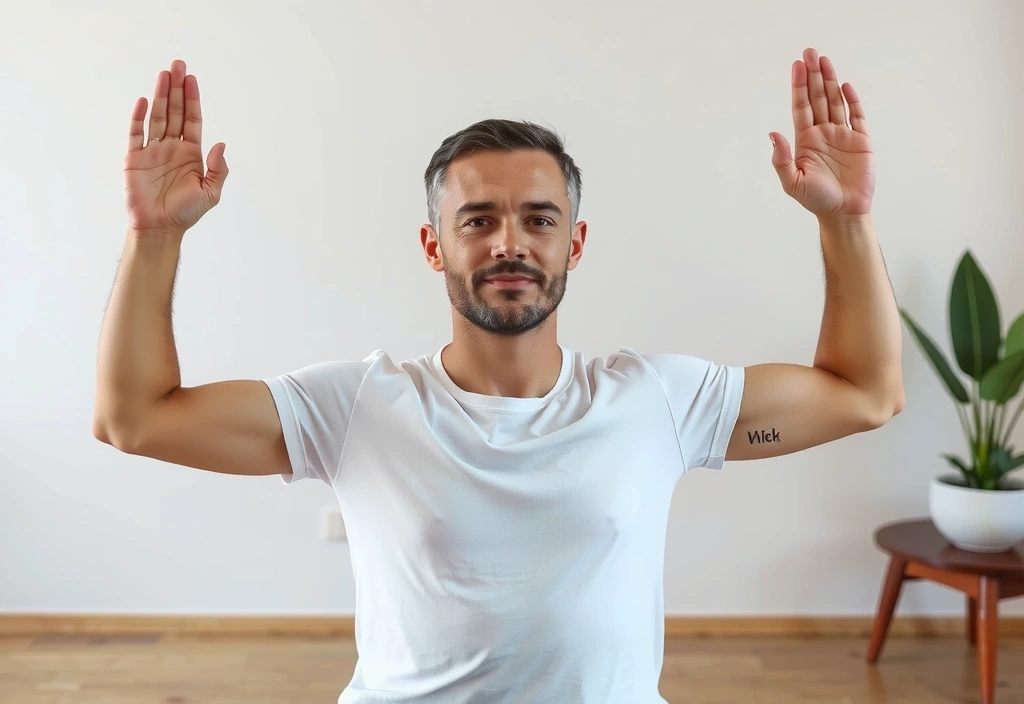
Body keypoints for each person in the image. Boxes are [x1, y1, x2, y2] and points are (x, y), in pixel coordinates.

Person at [94, 47, 904, 704]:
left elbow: (864, 393)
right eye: (477, 220)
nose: (508, 243)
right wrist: (155, 235)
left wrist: (846, 220)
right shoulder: (355, 408)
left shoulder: (659, 401)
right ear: (434, 246)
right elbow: (135, 417)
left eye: (538, 219)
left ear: (573, 245)